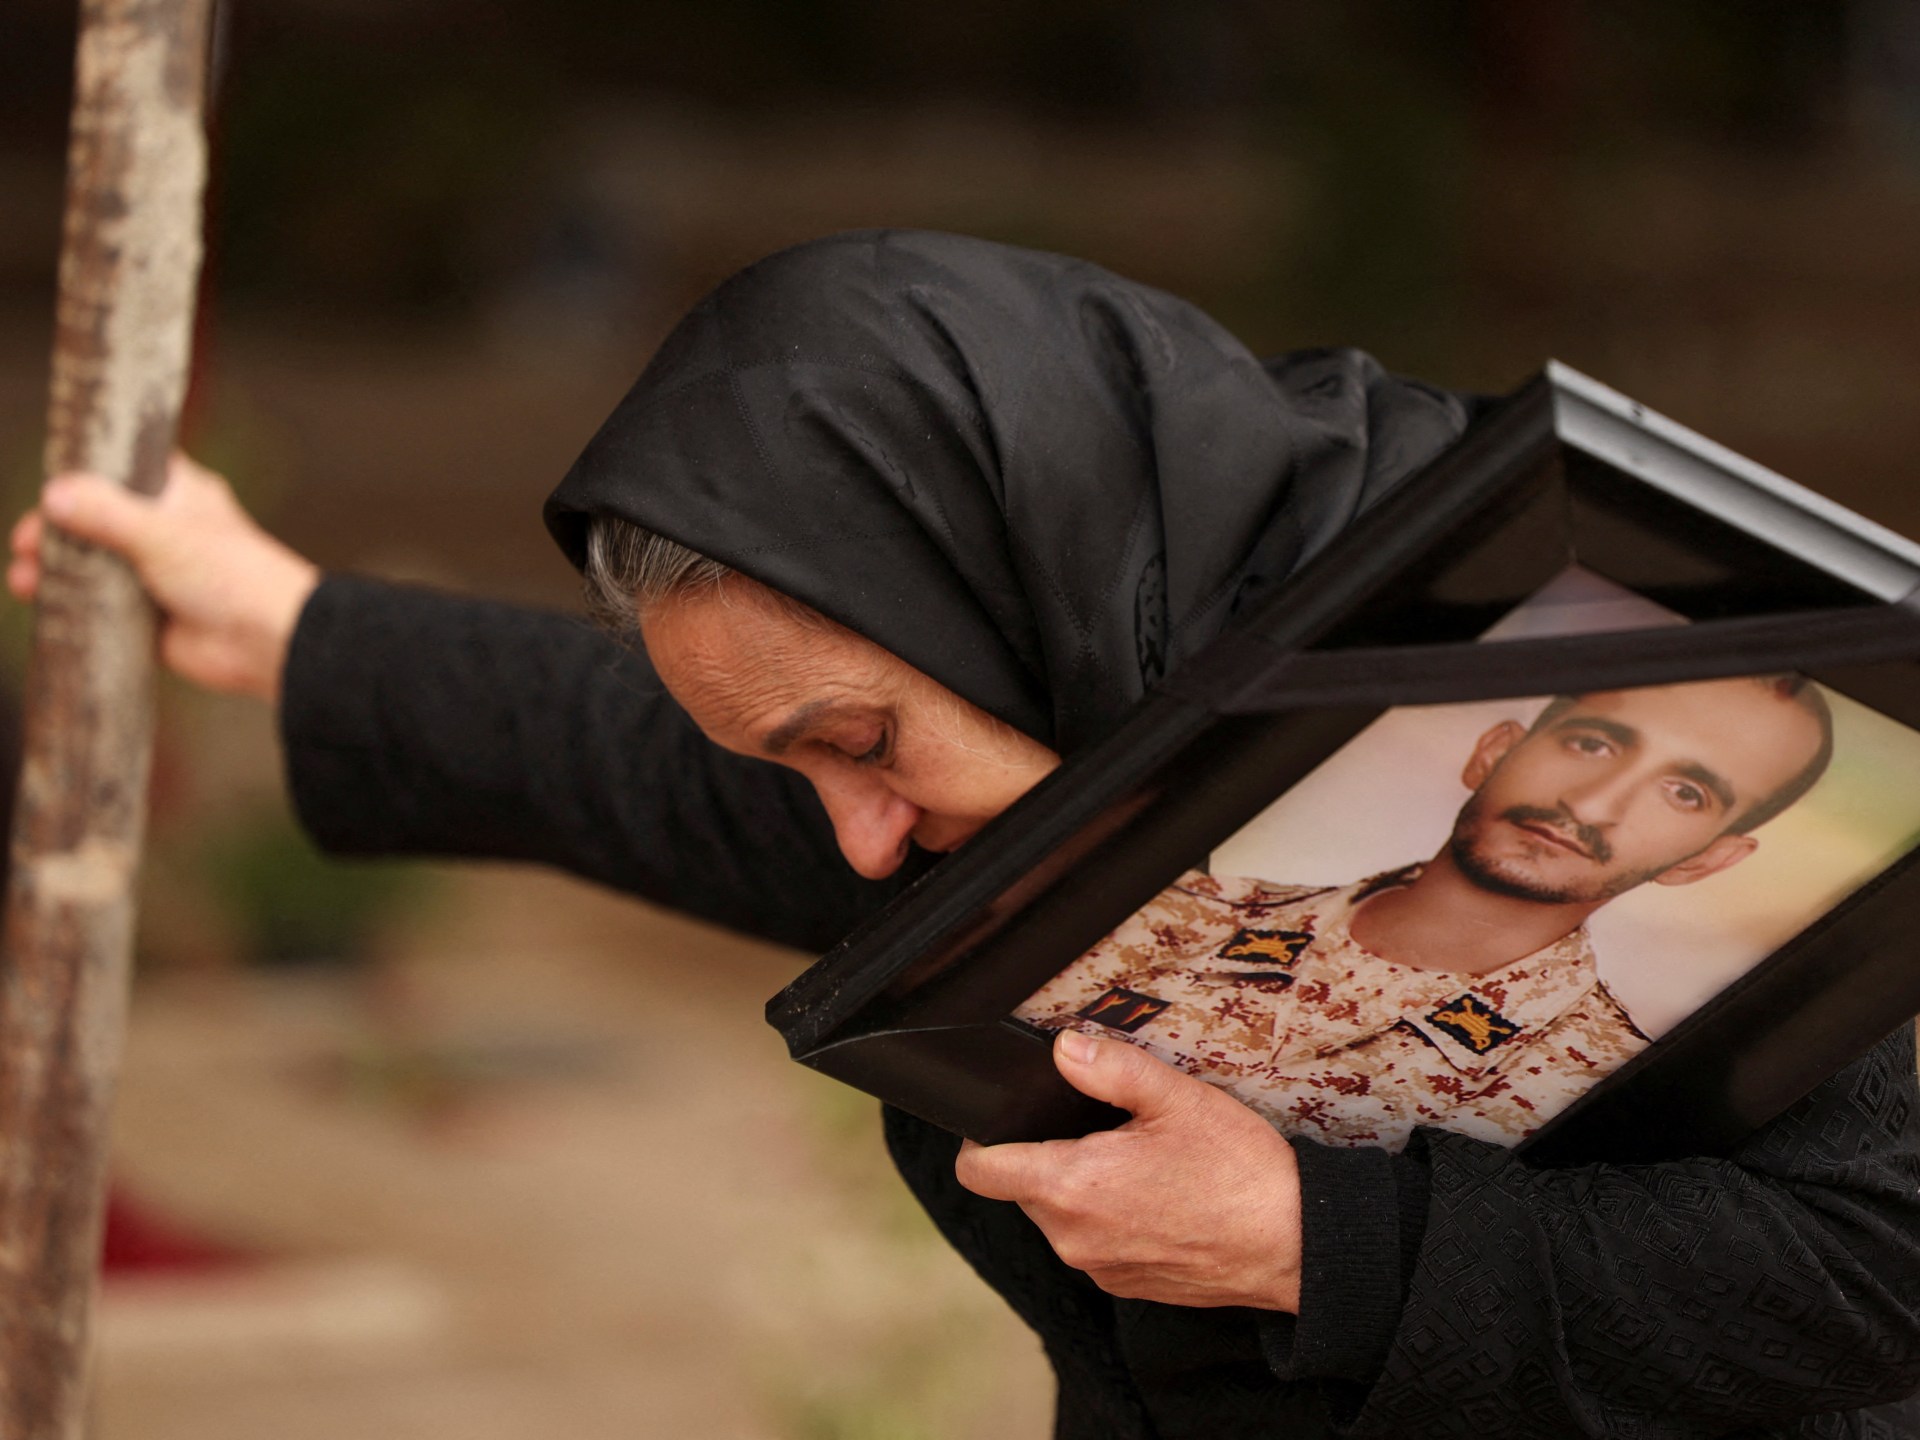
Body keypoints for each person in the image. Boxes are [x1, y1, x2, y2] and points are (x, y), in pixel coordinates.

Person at [11, 230, 1920, 1436]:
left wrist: (1319, 1243)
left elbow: (1880, 1259)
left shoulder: (1530, 652)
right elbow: (652, 759)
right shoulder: (1047, 712)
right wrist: (287, 625)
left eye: (859, 746)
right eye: (799, 771)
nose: (856, 844)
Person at [1015, 677, 1834, 1149]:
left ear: (1705, 859)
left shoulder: (1600, 1100)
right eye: (1592, 743)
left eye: (1684, 793)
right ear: (1494, 750)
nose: (1593, 802)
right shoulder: (1177, 912)